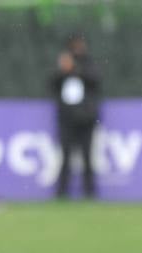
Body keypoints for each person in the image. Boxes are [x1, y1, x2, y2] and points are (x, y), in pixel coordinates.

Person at [51, 34, 101, 199]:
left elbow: (95, 80)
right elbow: (52, 83)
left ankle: (89, 192)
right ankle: (62, 192)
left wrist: (76, 69)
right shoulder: (62, 65)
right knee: (65, 155)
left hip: (86, 117)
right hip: (67, 118)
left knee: (87, 156)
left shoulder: (88, 63)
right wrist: (64, 69)